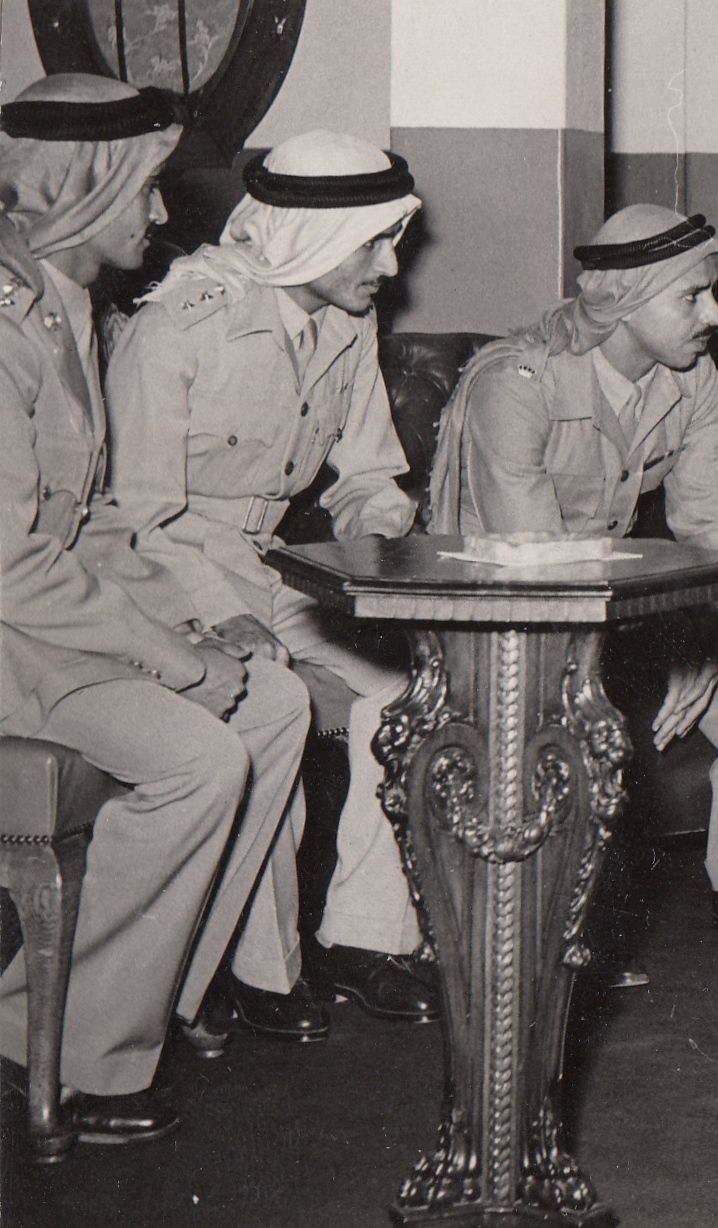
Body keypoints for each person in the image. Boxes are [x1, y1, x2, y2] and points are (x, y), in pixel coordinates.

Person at [0, 74, 309, 1146]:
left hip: (45, 625)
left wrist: (197, 626)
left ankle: (153, 994)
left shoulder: (66, 306)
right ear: (84, 191)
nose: (163, 212)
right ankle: (56, 1040)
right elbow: (12, 565)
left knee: (272, 703)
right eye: (144, 189)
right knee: (198, 757)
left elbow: (90, 521)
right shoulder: (4, 327)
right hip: (12, 639)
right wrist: (175, 664)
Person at [428, 203, 718, 959]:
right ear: (621, 302)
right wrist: (678, 631)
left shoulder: (690, 379)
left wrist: (708, 629)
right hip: (507, 618)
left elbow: (716, 534)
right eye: (692, 297)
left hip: (607, 602)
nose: (715, 315)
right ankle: (569, 911)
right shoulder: (516, 381)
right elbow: (537, 573)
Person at [104, 130, 437, 1040]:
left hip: (274, 562)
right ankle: (258, 970)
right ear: (307, 238)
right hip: (168, 569)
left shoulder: (348, 323)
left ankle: (365, 936)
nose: (389, 266)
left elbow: (368, 476)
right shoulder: (180, 326)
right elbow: (137, 515)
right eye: (371, 243)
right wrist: (221, 616)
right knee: (269, 696)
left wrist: (385, 552)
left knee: (410, 691)